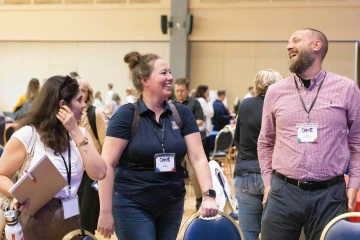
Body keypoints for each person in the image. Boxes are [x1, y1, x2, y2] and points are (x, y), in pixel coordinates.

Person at [97, 51, 217, 240]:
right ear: (144, 80)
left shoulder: (182, 114)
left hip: (172, 203)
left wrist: (209, 195)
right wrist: (105, 211)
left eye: (169, 72)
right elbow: (107, 165)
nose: (170, 77)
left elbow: (198, 157)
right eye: (163, 73)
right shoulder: (126, 115)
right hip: (132, 204)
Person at [258, 28, 360, 240]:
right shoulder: (275, 91)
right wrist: (268, 183)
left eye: (295, 40)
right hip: (283, 192)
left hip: (330, 195)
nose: (288, 46)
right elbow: (265, 142)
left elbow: (357, 142)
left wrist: (354, 185)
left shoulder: (346, 89)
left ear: (316, 45)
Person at [0, 75, 107, 239]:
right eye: (79, 100)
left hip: (72, 214)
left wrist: (75, 132)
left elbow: (99, 173)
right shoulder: (28, 135)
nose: (84, 105)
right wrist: (18, 194)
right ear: (63, 106)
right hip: (35, 217)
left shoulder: (81, 135)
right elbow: (1, 175)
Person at [233, 69, 282, 240]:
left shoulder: (245, 104)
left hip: (245, 174)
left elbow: (237, 138)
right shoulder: (280, 105)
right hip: (272, 175)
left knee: (248, 233)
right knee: (274, 233)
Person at [76, 77, 108, 234]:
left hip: (92, 173)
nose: (80, 94)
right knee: (73, 217)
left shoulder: (96, 113)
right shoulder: (66, 115)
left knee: (87, 217)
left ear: (88, 93)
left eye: (83, 90)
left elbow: (106, 145)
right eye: (76, 90)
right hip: (73, 172)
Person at [173, 78, 205, 210]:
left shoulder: (194, 103)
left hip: (190, 144)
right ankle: (176, 198)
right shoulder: (170, 104)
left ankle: (199, 198)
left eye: (182, 91)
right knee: (173, 172)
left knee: (193, 173)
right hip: (174, 144)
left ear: (187, 91)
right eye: (177, 91)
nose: (179, 93)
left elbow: (200, 121)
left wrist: (185, 126)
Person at [195, 84, 214, 161]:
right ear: (204, 92)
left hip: (202, 130)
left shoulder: (197, 100)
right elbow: (211, 113)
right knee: (205, 155)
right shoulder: (201, 100)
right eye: (207, 91)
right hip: (203, 131)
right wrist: (209, 101)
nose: (208, 93)